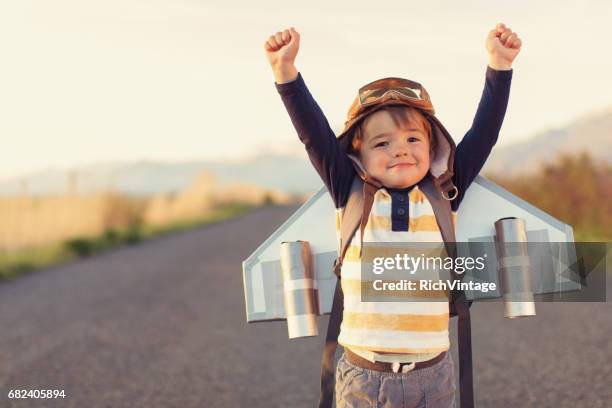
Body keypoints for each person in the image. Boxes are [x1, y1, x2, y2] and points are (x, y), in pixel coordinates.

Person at [264, 23, 522, 408]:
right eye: (382, 143)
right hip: (364, 376)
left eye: (413, 139)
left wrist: (499, 68)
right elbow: (313, 135)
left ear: (432, 147)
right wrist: (285, 73)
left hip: (434, 374)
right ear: (358, 156)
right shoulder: (349, 192)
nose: (400, 150)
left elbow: (484, 133)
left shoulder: (443, 193)